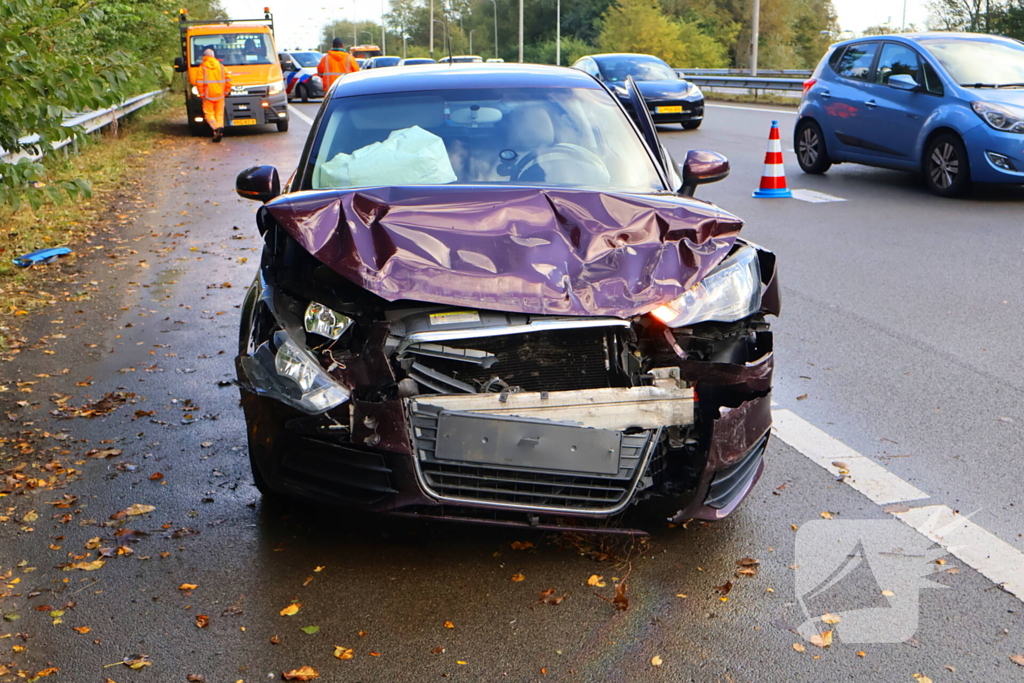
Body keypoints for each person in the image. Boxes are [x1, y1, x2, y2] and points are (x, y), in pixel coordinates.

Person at [197, 48, 231, 142]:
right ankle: (219, 133)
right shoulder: (221, 66)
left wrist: (202, 94)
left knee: (209, 114)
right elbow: (229, 80)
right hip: (220, 95)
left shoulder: (202, 67)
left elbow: (199, 83)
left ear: (204, 56)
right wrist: (226, 92)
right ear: (213, 56)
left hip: (208, 96)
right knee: (219, 115)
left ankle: (216, 128)